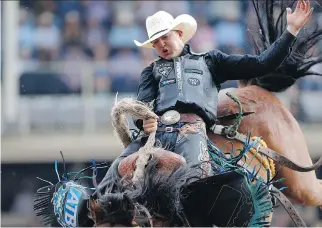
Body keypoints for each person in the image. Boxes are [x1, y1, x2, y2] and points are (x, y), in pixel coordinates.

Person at [110, 0, 314, 177]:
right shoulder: (150, 71)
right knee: (117, 170)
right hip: (156, 135)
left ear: (179, 33)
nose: (161, 44)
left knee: (195, 177)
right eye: (155, 42)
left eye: (165, 36)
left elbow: (262, 64)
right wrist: (142, 121)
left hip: (192, 131)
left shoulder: (211, 61)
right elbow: (142, 105)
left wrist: (291, 31)